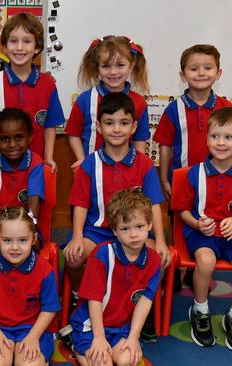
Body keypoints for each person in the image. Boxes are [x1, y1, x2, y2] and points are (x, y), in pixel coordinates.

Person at [63, 93, 169, 342]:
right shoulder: (90, 164)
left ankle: (142, 304)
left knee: (157, 257)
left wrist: (161, 241)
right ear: (99, 127)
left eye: (123, 123)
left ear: (133, 127)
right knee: (73, 256)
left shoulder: (143, 164)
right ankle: (83, 299)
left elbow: (154, 205)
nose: (117, 129)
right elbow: (79, 204)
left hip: (133, 231)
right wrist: (78, 236)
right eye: (109, 123)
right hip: (98, 230)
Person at [172, 107, 232, 352]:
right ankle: (200, 309)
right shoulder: (195, 173)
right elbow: (182, 212)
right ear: (207, 139)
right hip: (202, 234)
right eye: (215, 136)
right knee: (205, 260)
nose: (221, 142)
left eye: (228, 137)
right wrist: (197, 223)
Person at [70, 189, 161, 366]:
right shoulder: (102, 254)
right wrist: (98, 337)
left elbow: (144, 301)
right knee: (102, 363)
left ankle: (99, 348)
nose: (133, 234)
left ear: (150, 225)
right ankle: (77, 346)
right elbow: (94, 299)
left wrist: (133, 337)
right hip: (90, 324)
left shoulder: (154, 260)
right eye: (125, 228)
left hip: (120, 326)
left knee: (127, 361)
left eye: (139, 226)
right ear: (115, 231)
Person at [0, 12, 65, 172]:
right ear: (4, 46)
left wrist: (49, 158)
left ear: (37, 47)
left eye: (26, 41)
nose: (19, 48)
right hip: (1, 166)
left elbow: (50, 126)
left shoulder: (48, 83)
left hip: (36, 167)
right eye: (13, 41)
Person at [0, 205, 60, 365]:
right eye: (7, 240)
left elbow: (49, 308)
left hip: (33, 328)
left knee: (29, 363)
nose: (14, 247)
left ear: (33, 239)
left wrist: (34, 337)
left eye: (22, 240)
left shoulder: (44, 269)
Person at [153, 44, 232, 201]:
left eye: (208, 68)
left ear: (218, 73)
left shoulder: (226, 108)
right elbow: (165, 147)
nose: (201, 73)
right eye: (194, 69)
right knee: (182, 223)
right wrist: (164, 180)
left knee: (215, 223)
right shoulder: (173, 109)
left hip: (219, 181)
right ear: (183, 75)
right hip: (182, 181)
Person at [64, 35, 150, 167]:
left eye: (120, 65)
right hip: (91, 171)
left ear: (131, 65)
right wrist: (81, 159)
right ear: (97, 67)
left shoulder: (139, 102)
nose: (113, 72)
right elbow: (74, 133)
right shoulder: (85, 100)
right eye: (106, 66)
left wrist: (140, 167)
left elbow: (140, 139)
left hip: (126, 172)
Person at [0, 108, 45, 259]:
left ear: (30, 137)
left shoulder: (36, 163)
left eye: (18, 138)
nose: (12, 144)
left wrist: (29, 232)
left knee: (32, 248)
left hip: (25, 223)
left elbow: (33, 201)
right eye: (5, 139)